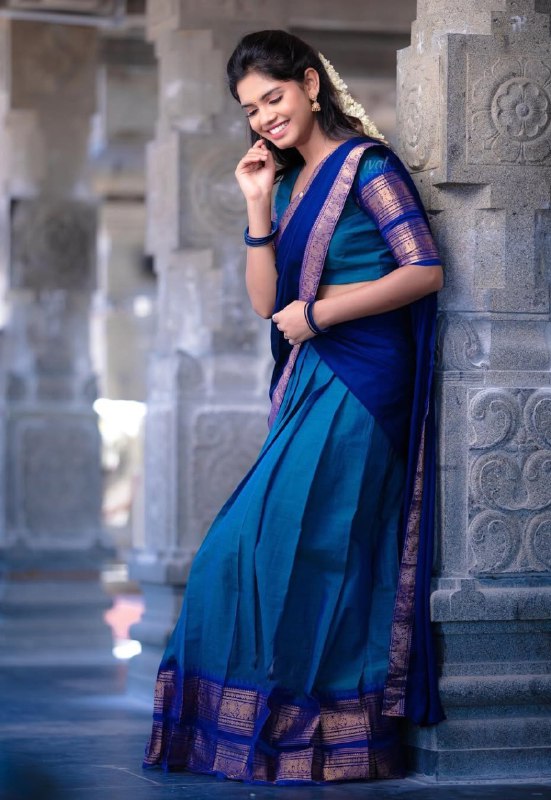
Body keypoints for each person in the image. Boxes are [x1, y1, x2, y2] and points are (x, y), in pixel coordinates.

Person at [142, 29, 446, 785]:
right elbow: (264, 301)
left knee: (299, 545)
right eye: (249, 109)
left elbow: (423, 269)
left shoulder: (365, 167)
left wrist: (320, 316)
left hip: (364, 376)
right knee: (238, 553)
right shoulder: (284, 183)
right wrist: (254, 205)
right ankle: (277, 731)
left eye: (272, 98)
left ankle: (325, 735)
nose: (263, 118)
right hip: (312, 371)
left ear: (310, 83)